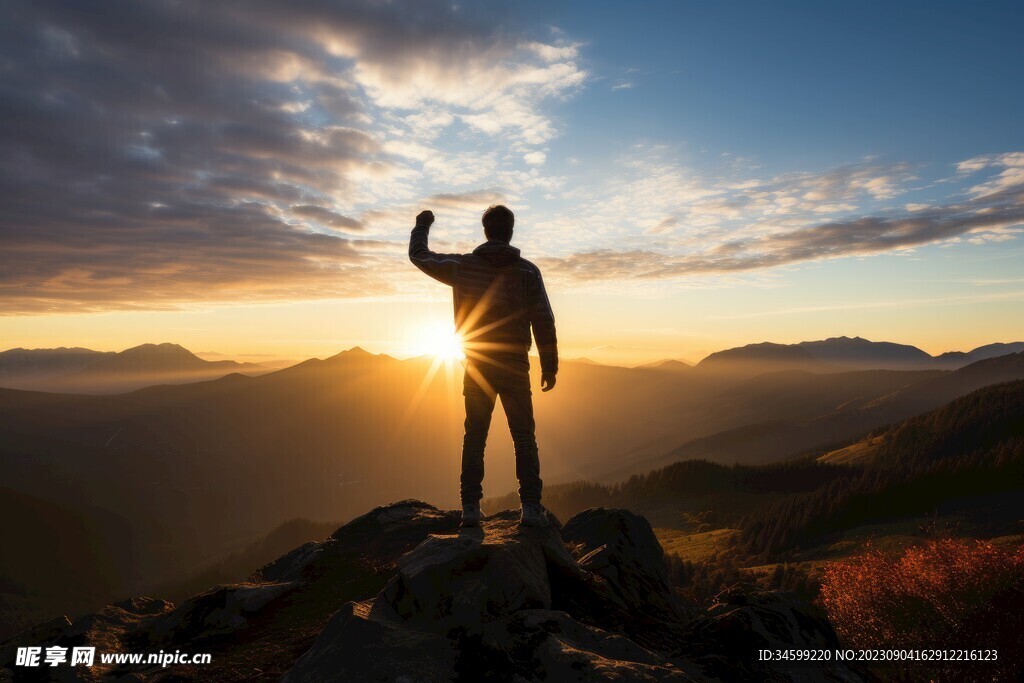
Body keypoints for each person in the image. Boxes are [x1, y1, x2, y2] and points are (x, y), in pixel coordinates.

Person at [409, 205, 558, 528]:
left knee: (475, 436)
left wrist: (422, 224)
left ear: (486, 231)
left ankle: (470, 508)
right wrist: (549, 366)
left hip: (476, 364)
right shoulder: (527, 271)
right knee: (524, 437)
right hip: (516, 364)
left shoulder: (463, 267)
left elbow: (420, 256)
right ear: (511, 231)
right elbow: (543, 319)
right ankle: (531, 508)